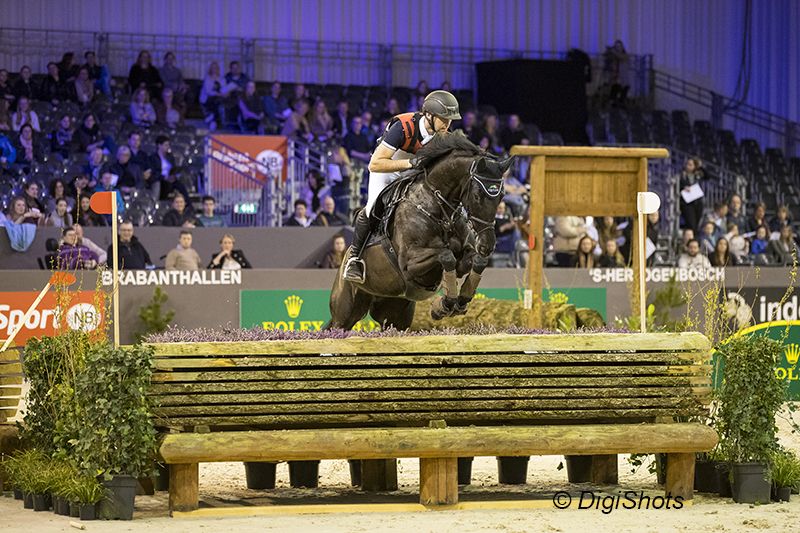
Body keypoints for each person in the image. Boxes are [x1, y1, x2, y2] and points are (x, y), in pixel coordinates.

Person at [343, 90, 461, 282]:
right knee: (374, 206)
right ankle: (355, 258)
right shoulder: (403, 127)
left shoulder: (444, 137)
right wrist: (410, 163)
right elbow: (375, 164)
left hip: (414, 172)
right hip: (386, 169)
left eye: (450, 120)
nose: (447, 124)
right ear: (429, 115)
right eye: (444, 119)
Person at [199, 61, 236, 131]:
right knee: (217, 99)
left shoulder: (222, 78)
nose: (214, 69)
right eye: (213, 68)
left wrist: (227, 92)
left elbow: (224, 88)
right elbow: (208, 92)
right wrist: (219, 94)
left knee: (225, 99)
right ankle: (214, 118)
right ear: (210, 69)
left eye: (216, 68)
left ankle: (213, 118)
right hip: (207, 98)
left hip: (219, 97)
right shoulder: (207, 78)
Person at [678, 157, 706, 233]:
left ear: (694, 166)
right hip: (687, 202)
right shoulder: (682, 175)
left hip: (697, 202)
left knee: (697, 223)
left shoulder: (697, 175)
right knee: (691, 223)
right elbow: (677, 186)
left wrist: (700, 167)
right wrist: (683, 187)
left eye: (690, 165)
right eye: (687, 164)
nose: (688, 166)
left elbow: (707, 176)